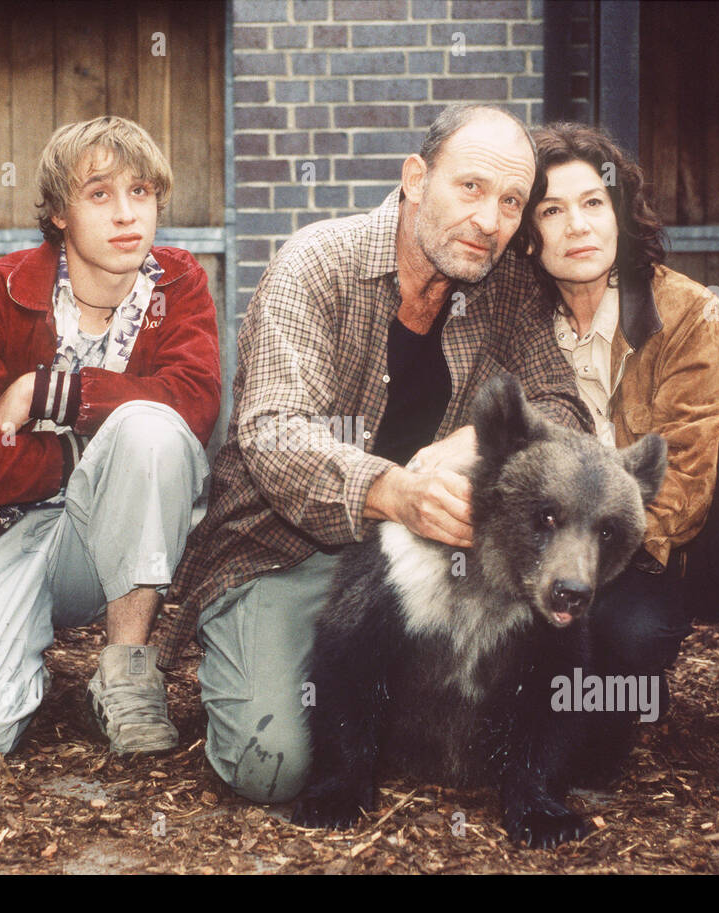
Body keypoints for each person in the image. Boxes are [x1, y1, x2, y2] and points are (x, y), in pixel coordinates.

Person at [161, 104, 592, 804]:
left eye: (512, 202)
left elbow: (569, 414)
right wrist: (393, 490)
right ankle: (250, 646)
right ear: (416, 178)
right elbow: (272, 432)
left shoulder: (505, 289)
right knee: (272, 765)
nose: (490, 220)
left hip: (423, 555)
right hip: (286, 548)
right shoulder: (316, 264)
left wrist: (478, 438)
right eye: (472, 188)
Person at [520, 121, 719, 797]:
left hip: (705, 538)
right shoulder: (518, 325)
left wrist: (597, 567)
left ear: (620, 215)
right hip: (608, 547)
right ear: (528, 231)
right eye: (551, 209)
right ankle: (638, 680)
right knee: (627, 647)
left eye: (593, 203)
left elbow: (690, 465)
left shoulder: (690, 310)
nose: (576, 225)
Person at [0, 116, 221, 765]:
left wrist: (56, 395)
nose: (127, 214)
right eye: (99, 194)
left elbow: (193, 404)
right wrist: (76, 454)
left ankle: (126, 670)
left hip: (109, 538)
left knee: (151, 430)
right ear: (57, 214)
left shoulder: (178, 283)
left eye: (141, 191)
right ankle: (13, 655)